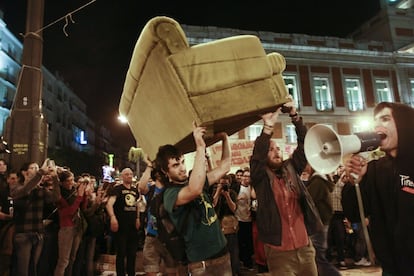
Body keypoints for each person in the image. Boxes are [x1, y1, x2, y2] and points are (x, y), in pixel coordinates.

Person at [249, 100, 321, 275]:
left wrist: (295, 117)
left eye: (278, 148)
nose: (276, 151)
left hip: (305, 248)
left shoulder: (291, 168)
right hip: (279, 252)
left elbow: (305, 145)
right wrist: (267, 128)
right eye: (271, 149)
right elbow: (257, 158)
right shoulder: (261, 177)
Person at [342, 102, 414, 276]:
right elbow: (354, 214)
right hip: (391, 267)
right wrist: (354, 183)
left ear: (404, 124)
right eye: (375, 121)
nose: (377, 125)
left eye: (385, 118)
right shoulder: (375, 169)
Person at [157, 123, 232, 275]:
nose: (183, 168)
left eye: (183, 162)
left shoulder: (196, 181)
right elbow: (195, 189)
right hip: (201, 263)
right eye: (176, 165)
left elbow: (225, 167)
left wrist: (224, 138)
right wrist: (200, 147)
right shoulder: (170, 194)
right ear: (165, 171)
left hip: (222, 254)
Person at [11, 160, 61, 276]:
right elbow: (26, 190)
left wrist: (54, 178)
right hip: (23, 233)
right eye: (33, 168)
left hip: (37, 233)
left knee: (33, 269)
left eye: (37, 168)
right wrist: (40, 174)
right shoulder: (17, 187)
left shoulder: (40, 190)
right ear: (24, 172)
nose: (37, 170)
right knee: (22, 270)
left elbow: (56, 198)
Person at [138, 156, 184, 276]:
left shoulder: (172, 190)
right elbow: (141, 187)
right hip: (152, 236)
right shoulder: (152, 190)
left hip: (170, 237)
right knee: (150, 270)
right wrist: (148, 166)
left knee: (172, 271)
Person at [106, 167, 141, 276]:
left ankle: (131, 273)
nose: (129, 176)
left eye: (131, 174)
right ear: (122, 176)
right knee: (121, 253)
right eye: (127, 174)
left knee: (132, 253)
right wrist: (112, 217)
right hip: (121, 225)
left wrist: (138, 218)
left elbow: (137, 205)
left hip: (132, 226)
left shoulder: (135, 190)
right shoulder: (118, 189)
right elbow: (109, 204)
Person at [306, 166, 341, 276]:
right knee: (318, 258)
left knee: (318, 259)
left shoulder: (317, 181)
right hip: (321, 224)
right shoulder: (320, 180)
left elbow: (308, 200)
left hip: (318, 224)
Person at [54, 171, 88, 276]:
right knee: (64, 260)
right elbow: (70, 211)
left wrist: (84, 194)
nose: (71, 183)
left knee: (72, 258)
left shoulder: (73, 192)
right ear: (62, 182)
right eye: (68, 181)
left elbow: (83, 208)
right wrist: (79, 196)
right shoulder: (61, 195)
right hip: (66, 228)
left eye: (72, 180)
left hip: (76, 227)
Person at [213, 174, 240, 275]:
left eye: (226, 183)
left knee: (233, 251)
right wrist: (218, 192)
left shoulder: (232, 193)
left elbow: (233, 208)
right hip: (218, 226)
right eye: (222, 183)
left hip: (230, 226)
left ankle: (234, 271)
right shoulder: (215, 192)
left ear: (229, 183)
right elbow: (212, 205)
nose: (224, 185)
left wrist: (227, 196)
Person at [234, 169, 254, 270]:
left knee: (249, 242)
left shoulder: (251, 188)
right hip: (239, 219)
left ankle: (248, 261)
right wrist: (237, 199)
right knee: (241, 242)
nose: (246, 178)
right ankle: (245, 263)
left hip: (249, 218)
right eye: (245, 176)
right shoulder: (237, 188)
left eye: (248, 176)